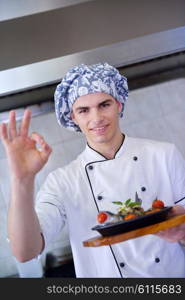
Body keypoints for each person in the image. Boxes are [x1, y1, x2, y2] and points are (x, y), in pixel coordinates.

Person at [1, 62, 185, 278]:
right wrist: (22, 179)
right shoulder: (63, 181)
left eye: (104, 105)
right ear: (73, 117)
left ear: (119, 104)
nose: (96, 118)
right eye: (84, 110)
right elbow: (25, 252)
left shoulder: (164, 155)